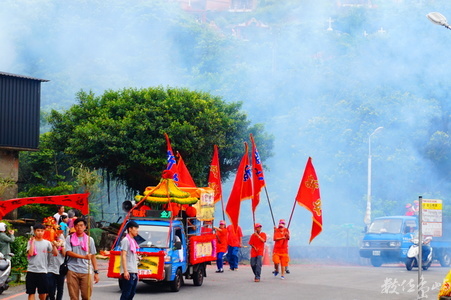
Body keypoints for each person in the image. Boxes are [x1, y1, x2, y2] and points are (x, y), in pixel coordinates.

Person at [66, 218, 99, 300]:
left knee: (86, 296)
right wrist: (83, 257)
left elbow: (93, 256)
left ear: (85, 227)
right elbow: (68, 252)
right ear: (74, 227)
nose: (79, 227)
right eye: (77, 226)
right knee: (73, 297)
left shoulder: (89, 240)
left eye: (81, 225)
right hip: (72, 270)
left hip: (86, 270)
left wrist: (96, 272)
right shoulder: (69, 238)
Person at [26, 223, 58, 300]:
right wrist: (33, 242)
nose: (40, 232)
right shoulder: (30, 242)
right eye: (38, 231)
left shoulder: (47, 243)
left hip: (43, 271)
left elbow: (55, 254)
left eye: (41, 231)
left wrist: (54, 246)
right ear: (34, 231)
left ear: (44, 232)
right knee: (31, 292)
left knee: (43, 293)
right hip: (31, 270)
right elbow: (30, 253)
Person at [119, 221, 140, 300]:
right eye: (135, 228)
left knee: (132, 292)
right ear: (130, 229)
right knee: (126, 292)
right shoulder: (126, 240)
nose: (137, 230)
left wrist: (136, 271)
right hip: (128, 271)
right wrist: (125, 271)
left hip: (133, 270)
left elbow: (133, 256)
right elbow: (123, 255)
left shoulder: (133, 241)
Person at [46, 233, 66, 300]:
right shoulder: (48, 242)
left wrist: (62, 245)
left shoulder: (62, 241)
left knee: (60, 288)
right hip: (50, 268)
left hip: (60, 268)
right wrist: (54, 245)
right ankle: (52, 297)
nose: (56, 236)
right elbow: (55, 253)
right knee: (50, 286)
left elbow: (64, 254)